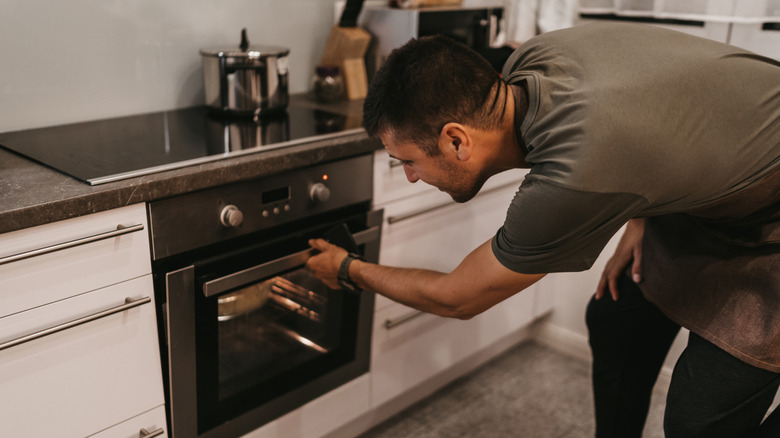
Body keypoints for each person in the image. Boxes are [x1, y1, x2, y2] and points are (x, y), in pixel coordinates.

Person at [306, 22, 780, 437]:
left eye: (408, 161)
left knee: (698, 422)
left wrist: (348, 268)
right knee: (615, 319)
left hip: (770, 227)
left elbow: (458, 297)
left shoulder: (573, 173)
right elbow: (661, 99)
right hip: (722, 196)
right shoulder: (531, 61)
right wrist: (644, 209)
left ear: (456, 140)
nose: (409, 176)